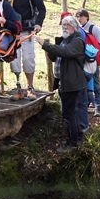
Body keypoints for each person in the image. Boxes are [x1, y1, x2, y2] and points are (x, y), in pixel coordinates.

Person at [35, 15, 86, 151]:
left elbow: (65, 52)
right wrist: (50, 47)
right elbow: (55, 57)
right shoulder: (64, 40)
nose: (64, 27)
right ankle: (79, 136)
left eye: (67, 24)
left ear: (74, 27)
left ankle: (72, 142)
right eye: (63, 24)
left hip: (73, 84)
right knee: (70, 112)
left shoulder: (77, 41)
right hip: (64, 83)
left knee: (69, 114)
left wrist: (45, 44)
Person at [9, 0, 46, 100]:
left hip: (28, 30)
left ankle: (30, 87)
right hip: (13, 32)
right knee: (15, 60)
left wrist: (38, 23)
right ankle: (19, 87)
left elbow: (41, 9)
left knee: (28, 59)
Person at [75, 9, 100, 116]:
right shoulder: (78, 29)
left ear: (86, 17)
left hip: (92, 61)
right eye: (77, 17)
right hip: (82, 61)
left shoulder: (94, 29)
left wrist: (94, 58)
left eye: (81, 16)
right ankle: (85, 105)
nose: (79, 19)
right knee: (83, 84)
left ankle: (98, 107)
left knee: (96, 84)